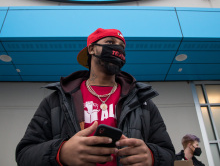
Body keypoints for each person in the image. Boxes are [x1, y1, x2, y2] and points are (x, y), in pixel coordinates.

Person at [16, 28, 175, 166]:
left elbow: (168, 154)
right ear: (91, 49)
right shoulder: (56, 100)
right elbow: (24, 154)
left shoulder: (142, 101)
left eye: (122, 46)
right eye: (110, 42)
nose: (118, 49)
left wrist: (152, 157)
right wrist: (61, 153)